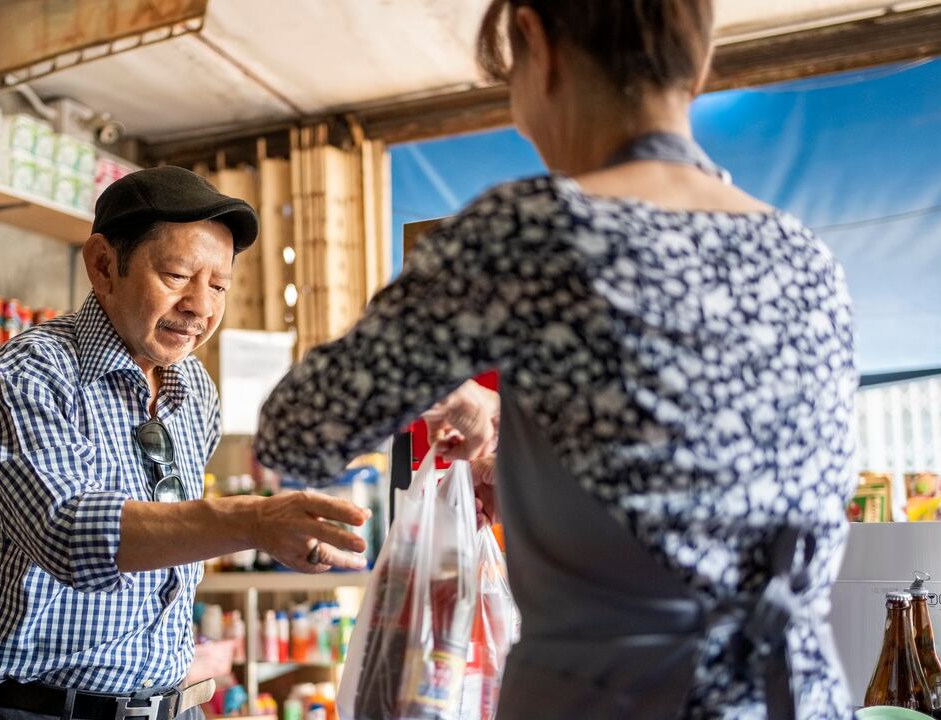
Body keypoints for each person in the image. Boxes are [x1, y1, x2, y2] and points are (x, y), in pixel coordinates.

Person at [254, 2, 857, 718]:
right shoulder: (803, 256)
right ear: (697, 64)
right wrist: (521, 438)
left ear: (536, 44)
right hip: (800, 696)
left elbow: (296, 432)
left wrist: (455, 398)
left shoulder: (532, 230)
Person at [0, 166, 369, 720]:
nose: (200, 306)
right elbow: (69, 533)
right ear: (103, 265)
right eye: (176, 275)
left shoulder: (194, 388)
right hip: (41, 711)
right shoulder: (30, 373)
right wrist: (252, 522)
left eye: (218, 286)